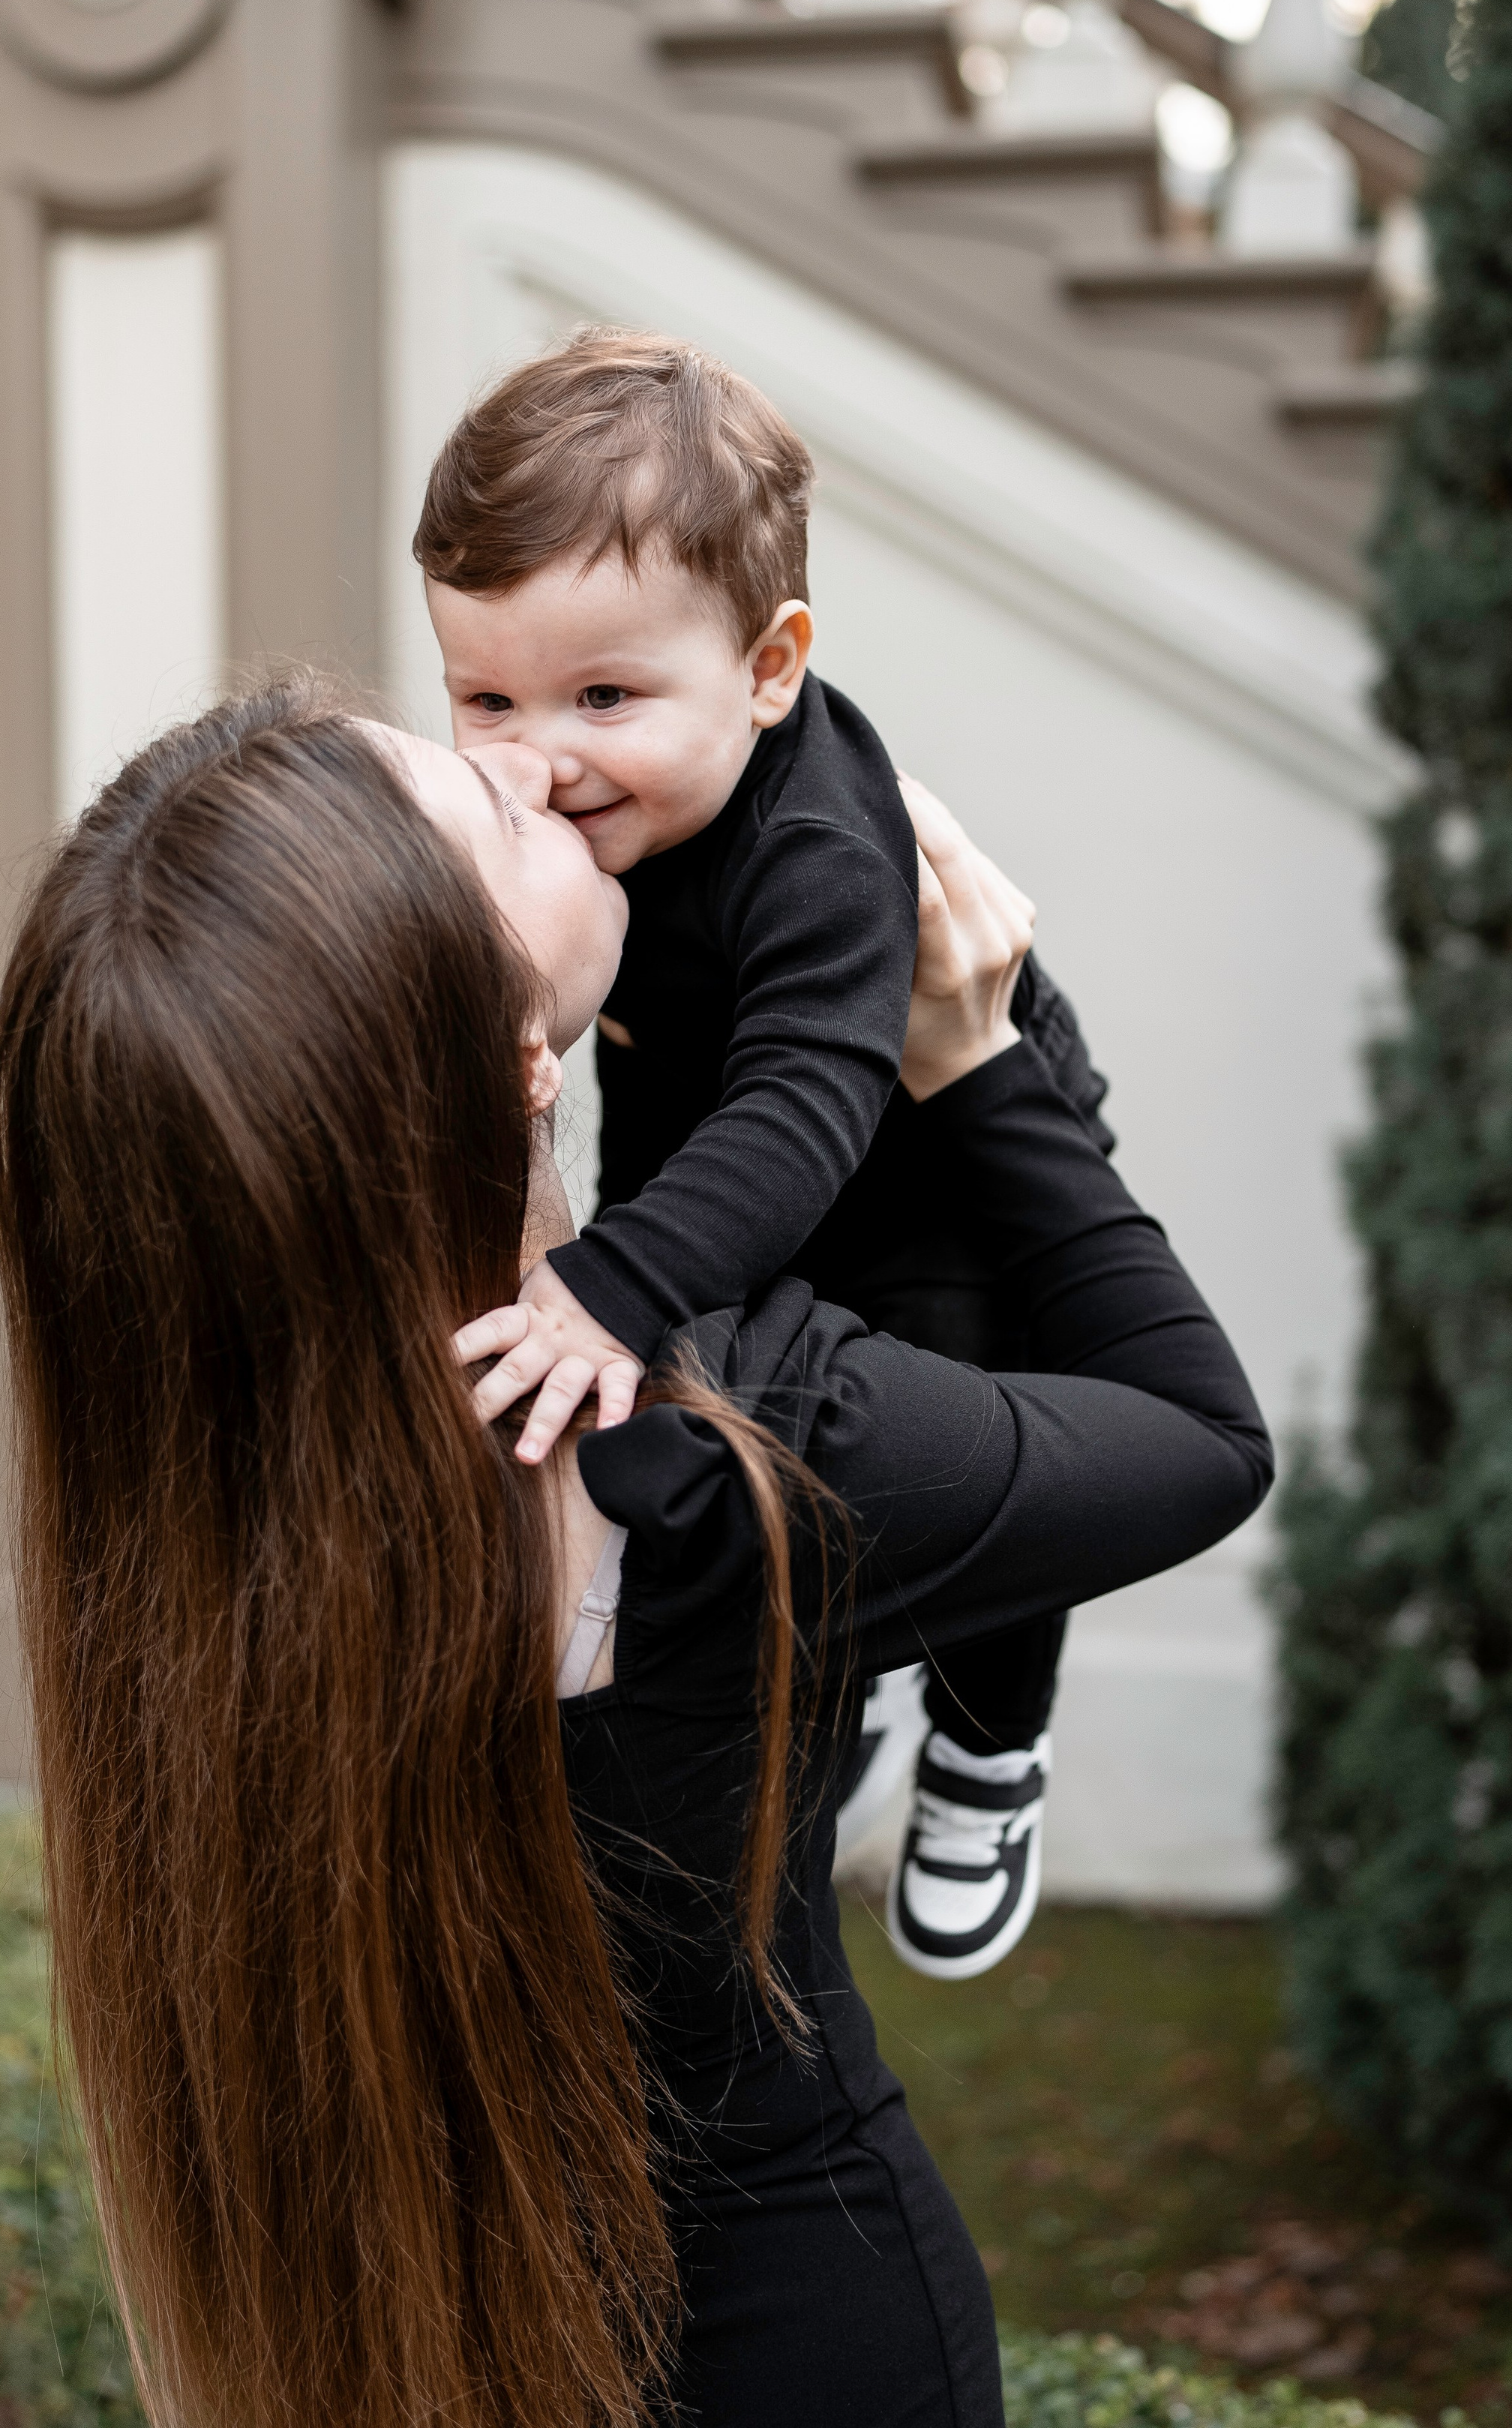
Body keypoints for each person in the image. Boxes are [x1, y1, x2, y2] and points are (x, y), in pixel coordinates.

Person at [0, 680, 1271, 2428]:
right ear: (520, 1058)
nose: (536, 761)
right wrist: (982, 1063)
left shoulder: (168, 1538)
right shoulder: (749, 1447)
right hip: (814, 2356)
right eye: (495, 802)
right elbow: (1196, 1436)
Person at [413, 328, 1108, 1977]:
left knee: (973, 1441)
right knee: (744, 1427)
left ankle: (990, 1750)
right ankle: (840, 1680)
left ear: (770, 667)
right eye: (483, 697)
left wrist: (609, 1280)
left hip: (948, 1169)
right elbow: (657, 1107)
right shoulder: (600, 819)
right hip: (748, 1166)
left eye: (601, 696)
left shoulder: (812, 844)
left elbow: (804, 1095)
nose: (539, 754)